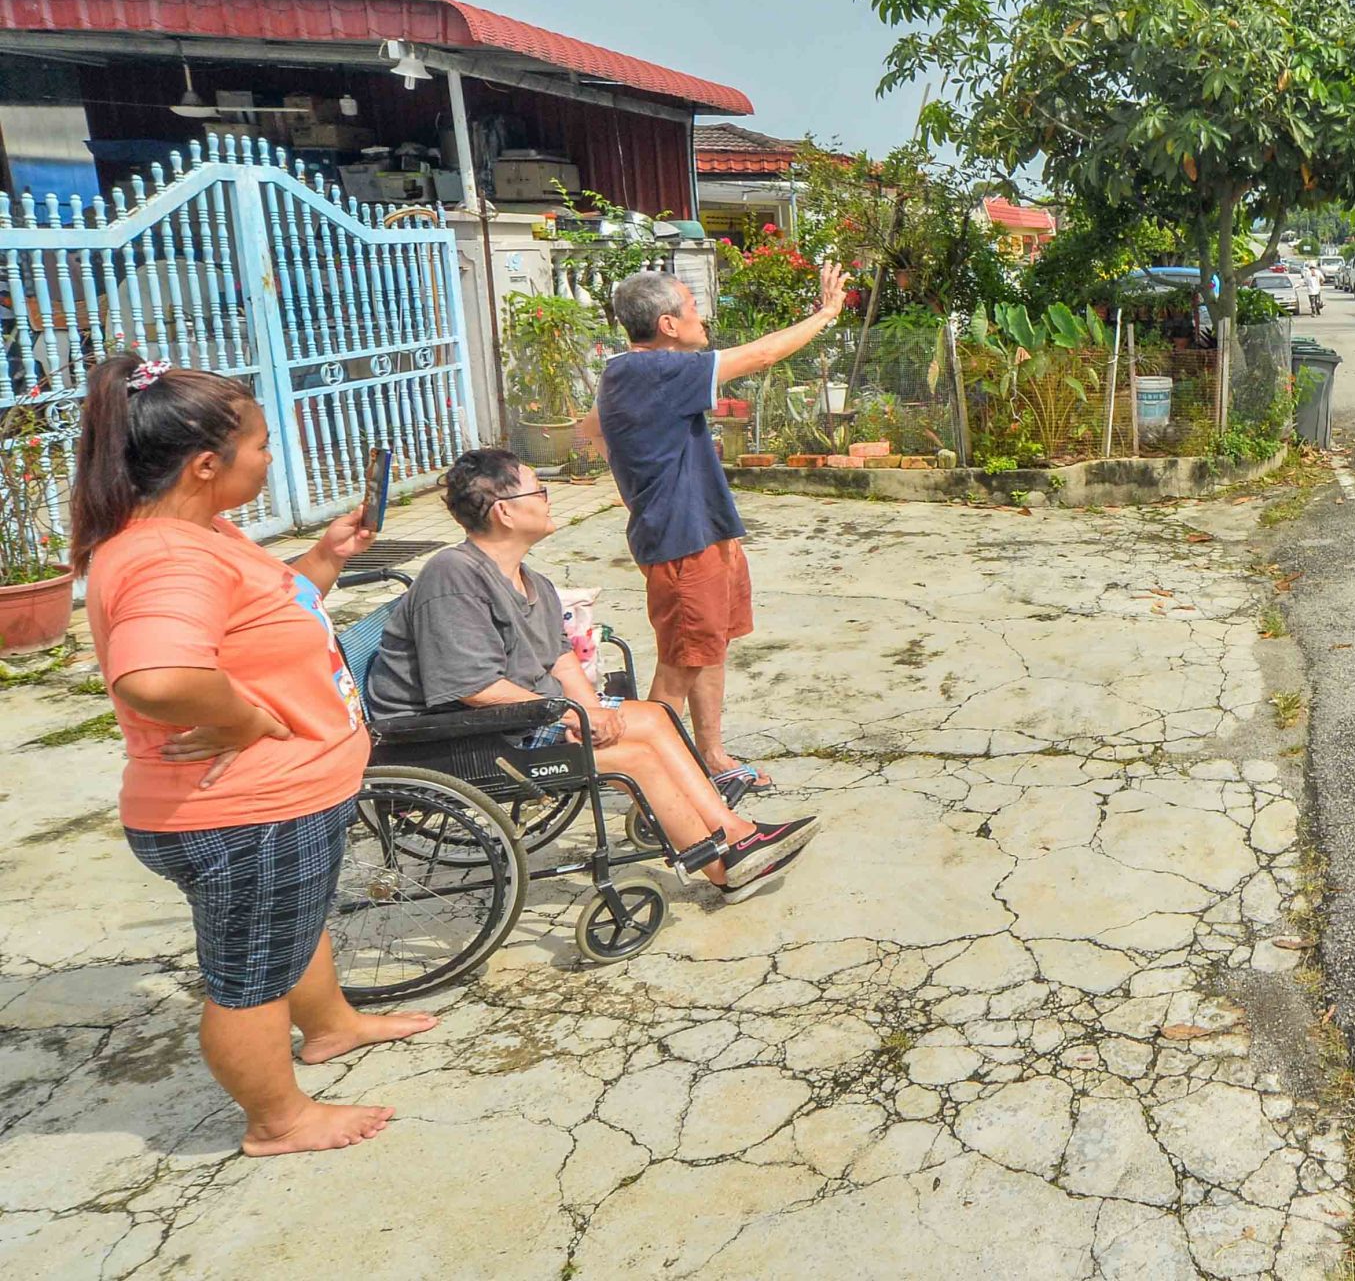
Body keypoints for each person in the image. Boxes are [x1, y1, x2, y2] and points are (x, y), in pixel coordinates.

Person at [76, 356, 434, 1156]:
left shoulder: (204, 530)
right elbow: (157, 675)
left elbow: (265, 616)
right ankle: (278, 1120)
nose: (273, 458)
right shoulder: (169, 557)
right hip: (244, 810)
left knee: (292, 924)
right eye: (263, 445)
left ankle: (332, 1026)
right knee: (249, 978)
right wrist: (243, 719)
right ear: (207, 466)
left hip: (281, 803)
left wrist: (328, 559)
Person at [368, 449, 818, 894]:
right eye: (539, 490)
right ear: (504, 511)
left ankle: (737, 833)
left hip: (518, 718)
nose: (549, 499)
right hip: (454, 737)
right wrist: (571, 715)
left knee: (653, 718)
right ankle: (720, 870)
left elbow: (559, 656)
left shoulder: (529, 580)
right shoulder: (454, 575)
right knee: (635, 757)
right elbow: (475, 688)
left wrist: (589, 709)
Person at [600, 261, 848, 787]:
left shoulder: (637, 374)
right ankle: (652, 778)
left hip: (702, 532)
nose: (701, 317)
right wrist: (826, 314)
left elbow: (593, 433)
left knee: (707, 648)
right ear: (667, 324)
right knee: (680, 660)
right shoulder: (653, 371)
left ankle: (710, 757)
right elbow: (761, 355)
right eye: (692, 308)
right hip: (680, 541)